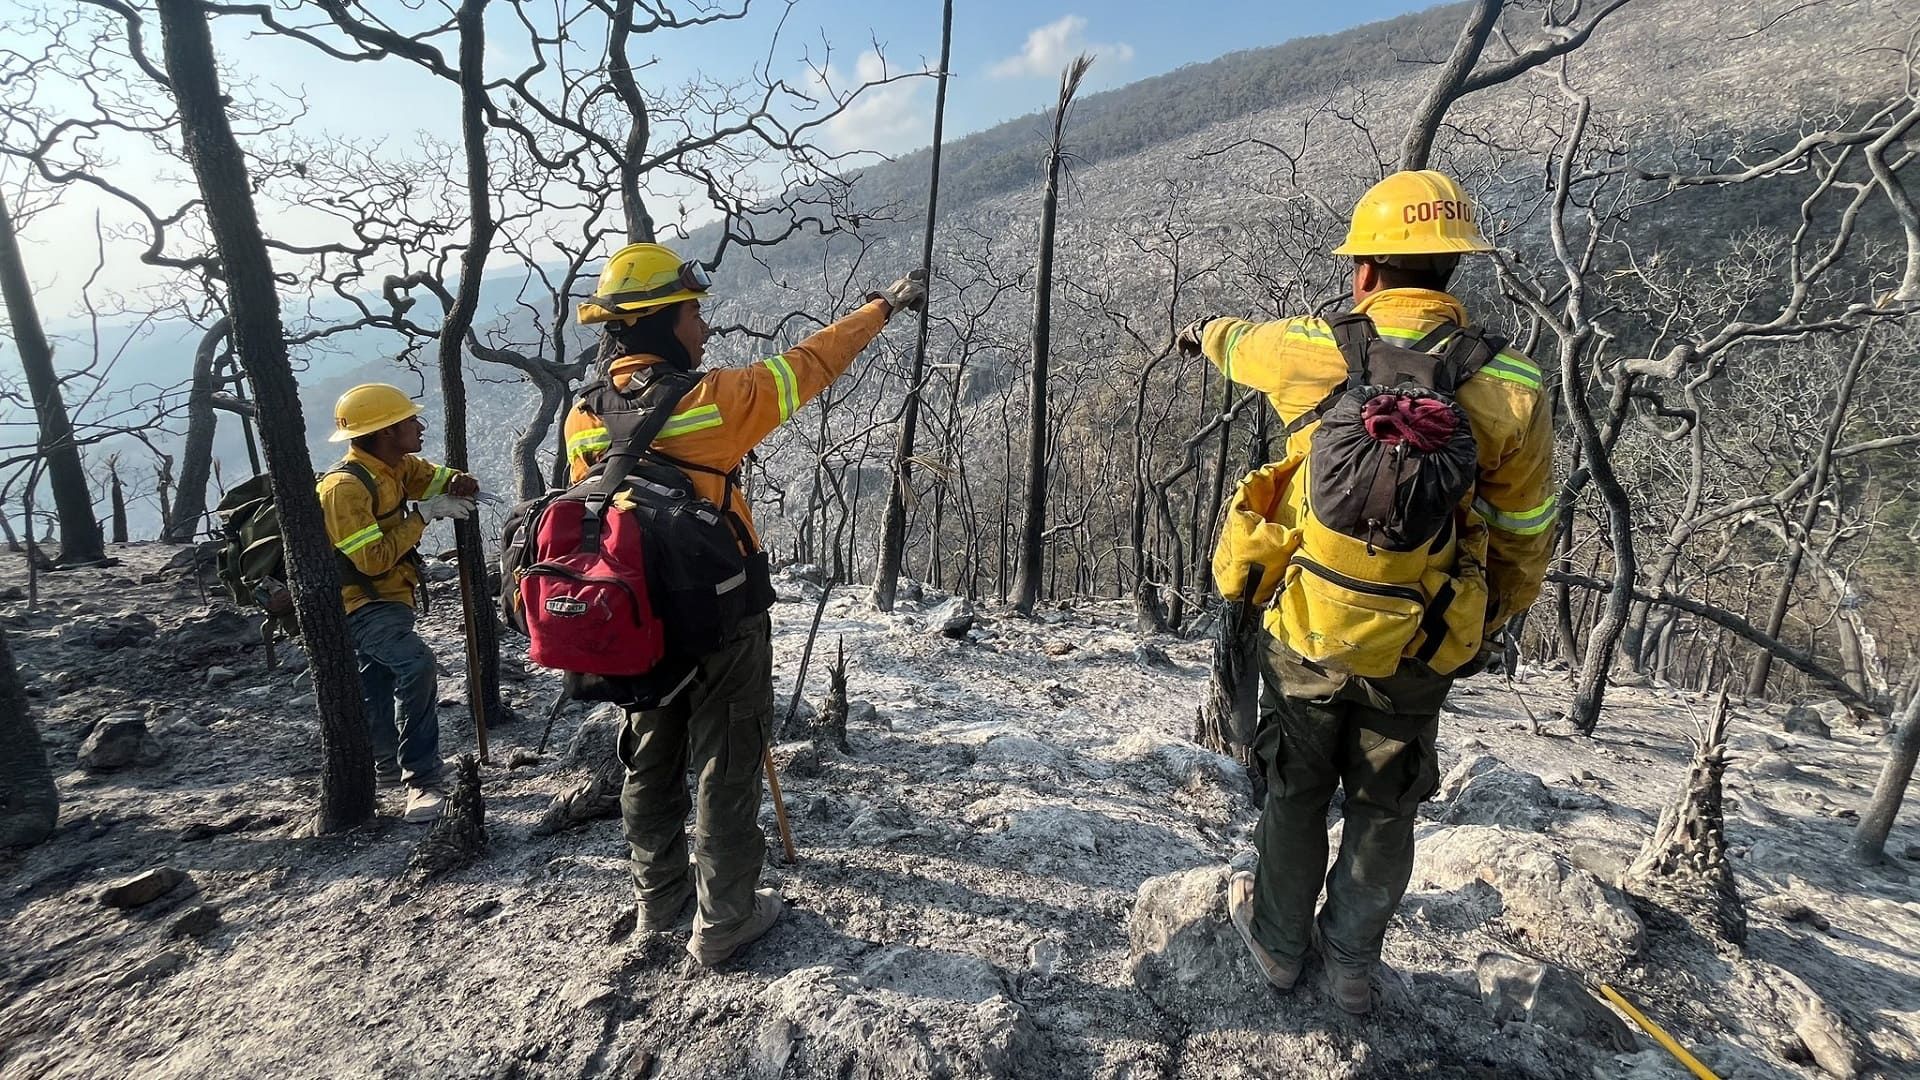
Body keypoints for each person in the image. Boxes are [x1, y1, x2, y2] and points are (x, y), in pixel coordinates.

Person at [1177, 170, 1556, 1014]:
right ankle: (1351, 964)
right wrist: (1489, 619)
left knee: (1295, 787)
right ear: (1455, 267)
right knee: (1387, 805)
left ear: (1364, 273)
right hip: (1423, 638)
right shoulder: (1515, 387)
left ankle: (1278, 946)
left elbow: (1234, 343)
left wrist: (1200, 331)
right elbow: (1527, 529)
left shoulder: (1312, 350)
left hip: (1310, 625)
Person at [564, 242, 926, 966]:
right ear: (663, 321)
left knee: (649, 757)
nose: (703, 326)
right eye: (693, 312)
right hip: (719, 615)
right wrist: (883, 306)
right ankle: (726, 916)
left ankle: (658, 901)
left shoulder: (582, 417)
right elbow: (810, 365)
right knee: (725, 762)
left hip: (636, 617)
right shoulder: (713, 400)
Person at [319, 383, 480, 823]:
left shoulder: (396, 466)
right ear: (387, 431)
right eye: (410, 421)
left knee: (377, 678)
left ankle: (387, 766)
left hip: (393, 595)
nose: (419, 426)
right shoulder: (344, 489)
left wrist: (459, 481)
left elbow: (434, 477)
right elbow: (371, 561)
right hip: (361, 602)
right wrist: (423, 516)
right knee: (415, 665)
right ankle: (422, 781)